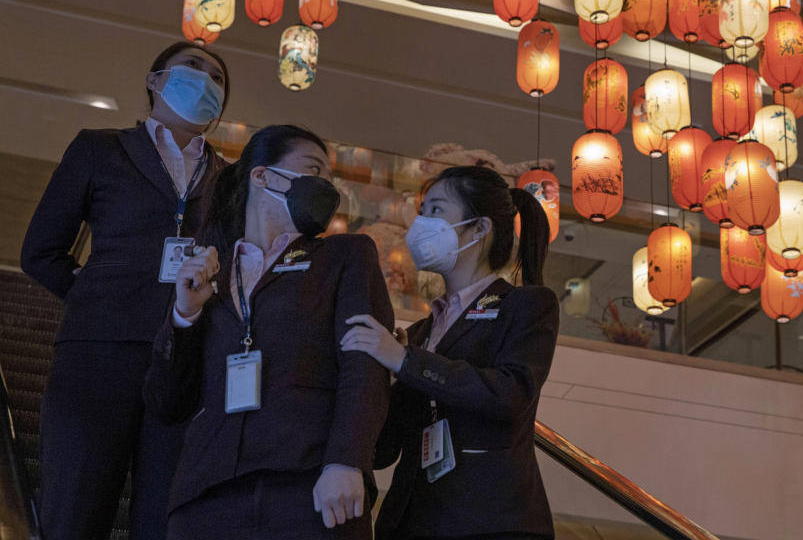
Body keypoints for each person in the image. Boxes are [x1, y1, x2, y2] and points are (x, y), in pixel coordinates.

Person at [20, 41, 230, 540]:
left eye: (218, 78)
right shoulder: (100, 148)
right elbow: (40, 252)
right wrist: (97, 301)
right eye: (193, 67)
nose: (206, 80)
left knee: (163, 518)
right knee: (76, 509)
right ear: (156, 81)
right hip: (97, 354)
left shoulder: (229, 179)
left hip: (182, 362)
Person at [143, 125, 392, 540]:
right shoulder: (210, 268)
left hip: (309, 482)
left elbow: (363, 365)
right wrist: (184, 315)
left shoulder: (344, 255)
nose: (324, 187)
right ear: (262, 175)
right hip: (209, 492)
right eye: (313, 170)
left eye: (329, 179)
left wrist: (347, 460)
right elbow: (167, 403)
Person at [340, 165, 559, 539]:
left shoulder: (523, 305)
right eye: (422, 213)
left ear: (480, 227)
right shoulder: (421, 332)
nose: (421, 224)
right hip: (413, 520)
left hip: (489, 520)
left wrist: (406, 361)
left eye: (437, 211)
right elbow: (384, 450)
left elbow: (510, 393)